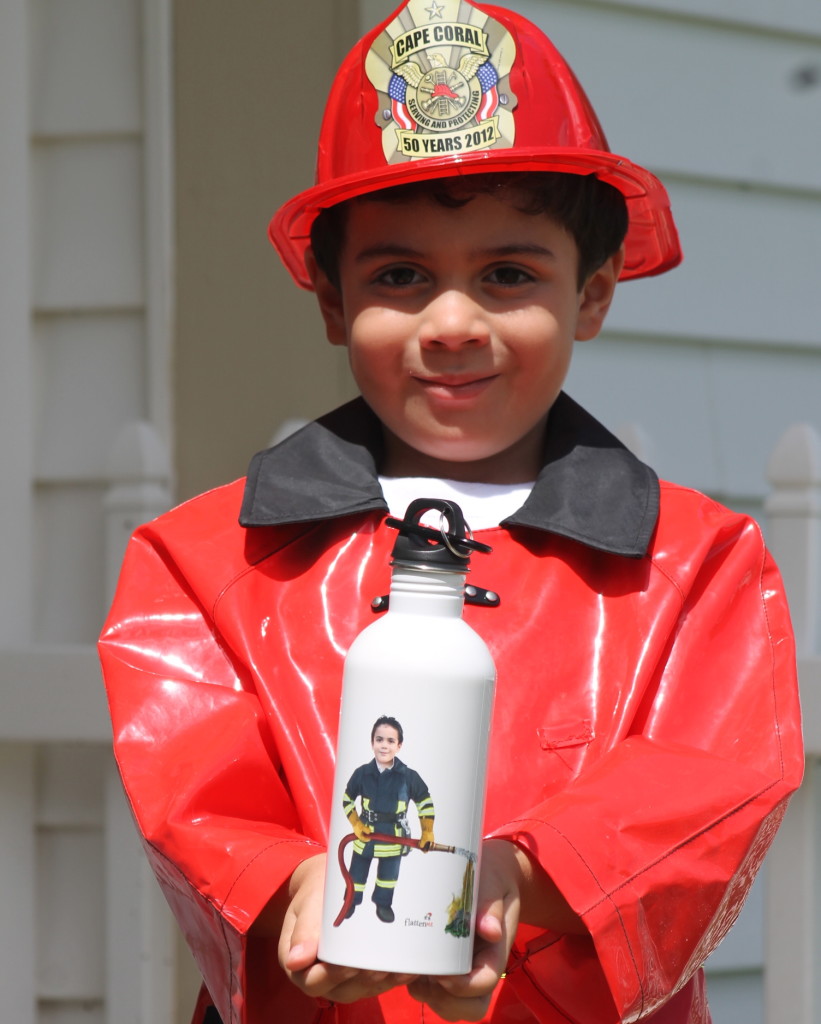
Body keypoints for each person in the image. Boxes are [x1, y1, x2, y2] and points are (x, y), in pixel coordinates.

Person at [98, 1, 804, 1022]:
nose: (453, 322)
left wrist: (526, 877)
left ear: (592, 294)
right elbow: (194, 789)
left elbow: (710, 785)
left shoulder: (693, 563)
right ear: (332, 300)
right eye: (400, 276)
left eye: (507, 274)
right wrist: (294, 885)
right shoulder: (205, 559)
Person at [341, 716, 436, 924]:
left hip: (394, 839)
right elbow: (347, 799)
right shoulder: (362, 774)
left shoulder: (409, 777)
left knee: (388, 878)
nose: (384, 745)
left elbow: (425, 803)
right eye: (379, 739)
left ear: (399, 746)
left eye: (391, 741)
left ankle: (383, 904)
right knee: (356, 876)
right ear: (372, 742)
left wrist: (427, 832)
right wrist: (356, 824)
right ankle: (350, 901)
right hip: (365, 837)